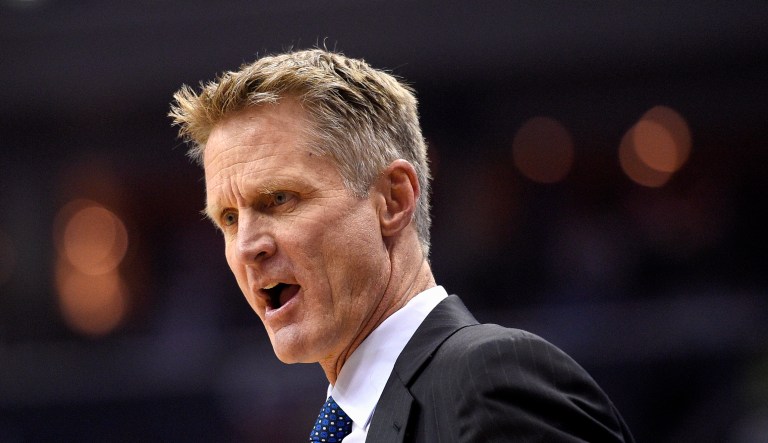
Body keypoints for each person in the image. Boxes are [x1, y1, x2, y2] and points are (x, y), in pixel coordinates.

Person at [169, 48, 634, 442]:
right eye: (228, 219)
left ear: (393, 200)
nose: (247, 245)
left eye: (279, 199)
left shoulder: (485, 383)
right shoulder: (354, 419)